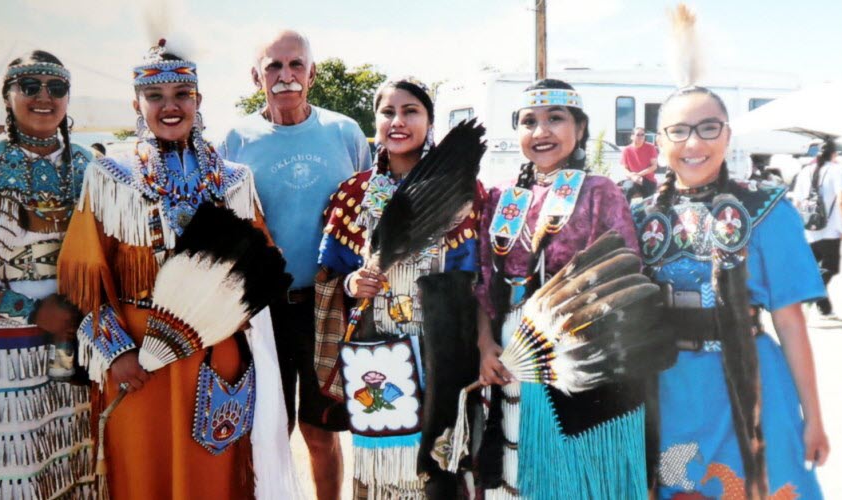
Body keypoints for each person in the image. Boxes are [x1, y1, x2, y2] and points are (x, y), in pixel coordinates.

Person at [58, 38, 299, 499]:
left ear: (198, 101)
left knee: (215, 473)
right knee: (142, 468)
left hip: (217, 353)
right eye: (155, 97)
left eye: (181, 96)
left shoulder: (234, 180)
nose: (170, 107)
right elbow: (83, 279)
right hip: (136, 354)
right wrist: (117, 353)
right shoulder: (110, 177)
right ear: (137, 103)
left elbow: (259, 269)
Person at [632, 81, 829, 498]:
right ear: (658, 141)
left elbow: (790, 323)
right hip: (667, 392)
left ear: (727, 134)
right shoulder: (637, 217)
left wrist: (813, 416)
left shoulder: (766, 209)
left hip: (752, 389)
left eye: (708, 128)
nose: (693, 143)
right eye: (679, 130)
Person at [476, 79, 648, 499]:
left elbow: (625, 274)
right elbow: (484, 282)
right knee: (517, 457)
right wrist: (484, 345)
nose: (542, 132)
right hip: (511, 345)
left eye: (556, 119)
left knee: (574, 466)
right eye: (529, 122)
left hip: (580, 349)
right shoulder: (503, 198)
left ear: (581, 128)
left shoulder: (599, 192)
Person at [218, 29, 371, 500]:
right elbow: (223, 224)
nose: (285, 77)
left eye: (295, 65)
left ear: (312, 72)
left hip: (328, 307)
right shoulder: (236, 139)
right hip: (262, 312)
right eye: (273, 66)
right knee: (268, 431)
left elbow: (370, 214)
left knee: (322, 434)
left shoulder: (345, 133)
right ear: (255, 76)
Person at [0, 50, 96, 498]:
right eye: (30, 87)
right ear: (7, 96)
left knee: (78, 461)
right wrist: (27, 309)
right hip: (2, 339)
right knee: (14, 470)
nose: (44, 97)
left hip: (80, 334)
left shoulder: (91, 164)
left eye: (57, 88)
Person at [316, 77, 484, 499]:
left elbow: (478, 277)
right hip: (378, 348)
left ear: (429, 120)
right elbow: (330, 278)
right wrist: (354, 282)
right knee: (382, 467)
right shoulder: (353, 194)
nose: (398, 121)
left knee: (441, 460)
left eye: (411, 111)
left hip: (442, 349)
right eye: (388, 112)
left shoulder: (466, 194)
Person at [790, 139, 842, 320]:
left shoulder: (805, 171)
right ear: (834, 154)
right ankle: (806, 295)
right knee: (830, 268)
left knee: (813, 268)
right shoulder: (837, 170)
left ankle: (824, 308)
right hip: (831, 230)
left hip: (809, 229)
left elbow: (797, 203)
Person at [620, 126, 659, 202]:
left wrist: (639, 175)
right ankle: (625, 212)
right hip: (632, 179)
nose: (641, 137)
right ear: (632, 136)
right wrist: (632, 175)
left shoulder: (650, 147)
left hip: (648, 180)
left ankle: (647, 212)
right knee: (628, 188)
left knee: (648, 201)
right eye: (638, 135)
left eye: (643, 135)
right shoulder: (626, 150)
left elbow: (654, 166)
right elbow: (624, 168)